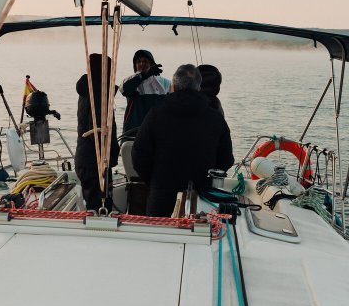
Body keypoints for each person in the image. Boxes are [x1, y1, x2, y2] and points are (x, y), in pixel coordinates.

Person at [132, 64, 234, 217]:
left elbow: (138, 156)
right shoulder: (216, 119)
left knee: (160, 236)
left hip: (161, 196)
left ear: (173, 86)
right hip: (202, 198)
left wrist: (155, 181)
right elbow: (226, 160)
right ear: (199, 87)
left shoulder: (155, 115)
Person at [75, 53, 119, 211]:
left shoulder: (89, 91)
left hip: (87, 159)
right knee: (100, 209)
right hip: (94, 162)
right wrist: (113, 154)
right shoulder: (97, 94)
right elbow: (100, 132)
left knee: (95, 206)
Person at [120, 49, 171, 137]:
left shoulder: (165, 82)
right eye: (138, 61)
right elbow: (123, 90)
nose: (141, 64)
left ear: (152, 64)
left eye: (145, 61)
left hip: (158, 131)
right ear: (135, 65)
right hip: (133, 131)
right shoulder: (129, 80)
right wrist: (144, 75)